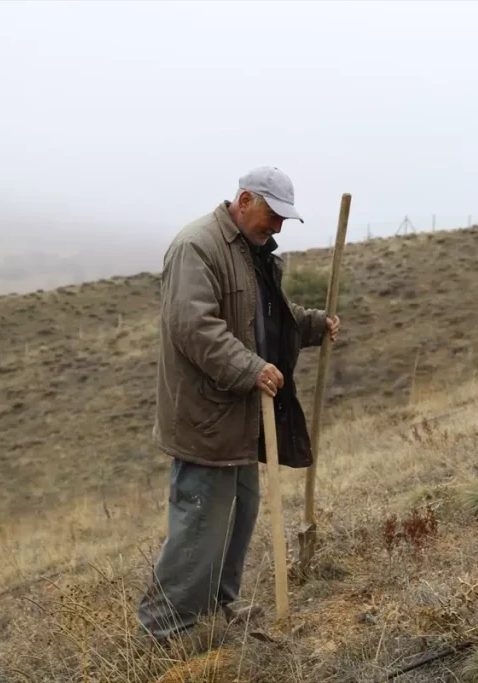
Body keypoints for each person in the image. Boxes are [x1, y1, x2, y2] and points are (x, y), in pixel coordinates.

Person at [138, 166, 340, 643]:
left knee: (240, 513)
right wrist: (250, 369)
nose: (278, 226)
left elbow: (266, 317)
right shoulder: (197, 246)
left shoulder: (252, 251)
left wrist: (312, 325)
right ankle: (165, 628)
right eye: (273, 215)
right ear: (245, 200)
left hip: (243, 416)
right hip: (207, 416)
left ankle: (219, 602)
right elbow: (194, 328)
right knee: (200, 522)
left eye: (284, 219)